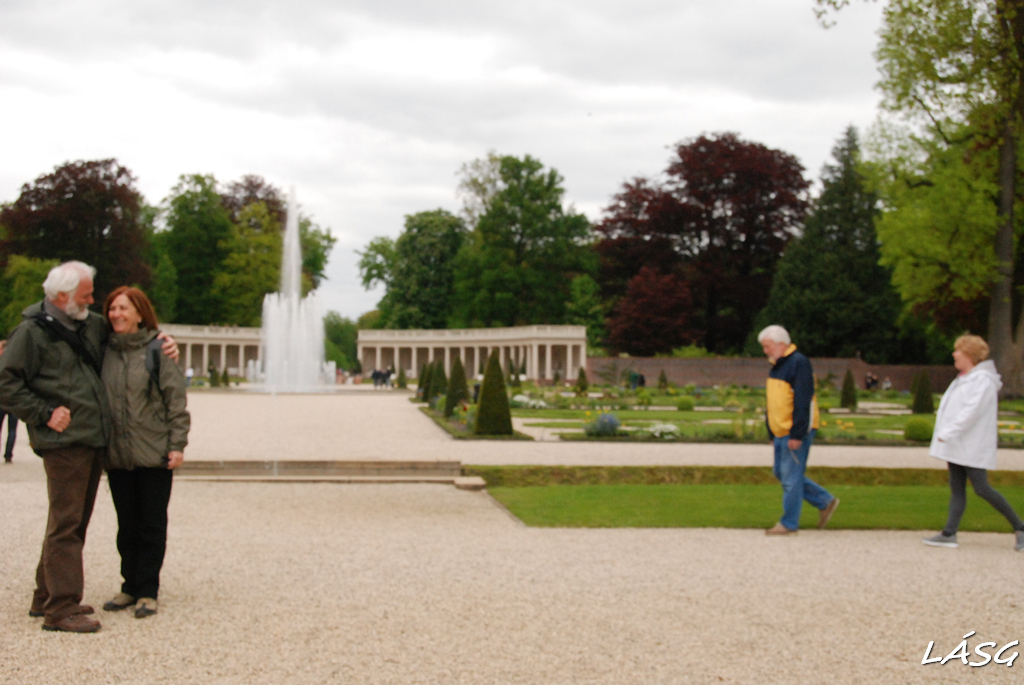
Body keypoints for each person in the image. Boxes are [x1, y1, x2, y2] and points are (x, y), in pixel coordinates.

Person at [0, 261, 177, 633]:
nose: (94, 301)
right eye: (87, 295)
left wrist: (167, 342)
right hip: (64, 441)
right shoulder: (31, 333)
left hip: (91, 439)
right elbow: (6, 383)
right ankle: (61, 609)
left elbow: (132, 338)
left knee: (69, 522)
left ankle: (45, 595)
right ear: (62, 297)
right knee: (66, 524)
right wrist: (43, 412)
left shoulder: (88, 324)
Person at [100, 287, 190, 618]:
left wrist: (177, 445)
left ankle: (148, 589)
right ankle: (129, 585)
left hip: (153, 452)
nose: (116, 314)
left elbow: (175, 401)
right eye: (112, 308)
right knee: (126, 525)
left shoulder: (158, 350)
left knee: (152, 523)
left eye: (123, 308)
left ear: (140, 313)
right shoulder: (103, 350)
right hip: (118, 453)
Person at [923, 335, 1024, 551]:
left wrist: (947, 432)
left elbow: (971, 412)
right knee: (957, 488)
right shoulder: (964, 378)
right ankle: (949, 533)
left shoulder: (982, 381)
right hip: (957, 444)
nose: (954, 354)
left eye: (957, 351)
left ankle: (1020, 527)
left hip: (970, 445)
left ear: (969, 354)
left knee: (982, 488)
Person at [758, 325, 840, 536]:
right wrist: (771, 431)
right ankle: (824, 501)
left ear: (781, 344)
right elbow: (774, 401)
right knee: (781, 472)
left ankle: (788, 523)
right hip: (780, 431)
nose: (765, 351)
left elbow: (803, 401)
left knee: (791, 477)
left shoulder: (798, 364)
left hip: (793, 431)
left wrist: (797, 434)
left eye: (767, 346)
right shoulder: (778, 365)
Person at [0, 340, 18, 462]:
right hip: (14, 401)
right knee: (12, 429)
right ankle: (8, 455)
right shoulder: (16, 363)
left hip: (1, 400)